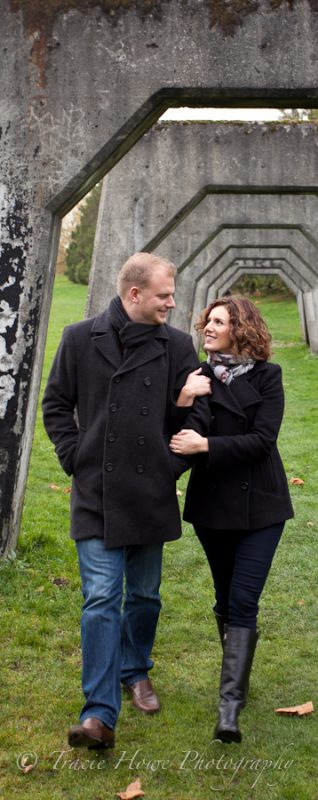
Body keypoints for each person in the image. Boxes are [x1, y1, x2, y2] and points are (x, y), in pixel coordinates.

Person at [42, 252, 209, 749]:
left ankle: (136, 670)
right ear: (134, 294)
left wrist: (168, 465)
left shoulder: (177, 346)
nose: (172, 303)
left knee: (144, 595)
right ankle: (97, 714)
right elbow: (55, 404)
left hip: (150, 491)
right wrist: (76, 457)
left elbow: (199, 417)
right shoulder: (79, 339)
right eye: (164, 295)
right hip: (95, 491)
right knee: (99, 600)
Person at [169, 296, 294, 743]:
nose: (208, 327)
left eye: (219, 322)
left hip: (261, 506)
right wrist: (187, 397)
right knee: (224, 597)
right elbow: (182, 432)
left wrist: (209, 447)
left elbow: (262, 440)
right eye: (208, 321)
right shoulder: (199, 377)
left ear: (241, 330)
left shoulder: (268, 376)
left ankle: (229, 708)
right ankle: (236, 679)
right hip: (213, 508)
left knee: (244, 600)